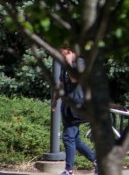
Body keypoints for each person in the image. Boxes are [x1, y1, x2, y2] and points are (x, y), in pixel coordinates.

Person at [51, 47, 94, 175]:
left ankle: (69, 170)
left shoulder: (80, 63)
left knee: (68, 137)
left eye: (61, 51)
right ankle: (96, 160)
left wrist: (69, 62)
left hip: (79, 105)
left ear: (69, 50)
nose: (59, 54)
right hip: (68, 107)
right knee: (76, 140)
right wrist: (55, 100)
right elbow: (61, 84)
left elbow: (75, 79)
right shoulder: (65, 65)